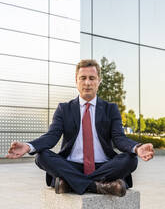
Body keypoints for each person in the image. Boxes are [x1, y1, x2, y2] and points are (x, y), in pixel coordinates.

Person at [7, 59, 154, 197]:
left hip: (104, 167)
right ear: (76, 81)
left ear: (99, 81)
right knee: (42, 156)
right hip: (71, 165)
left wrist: (137, 148)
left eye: (92, 78)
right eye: (83, 78)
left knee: (130, 159)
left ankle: (71, 183)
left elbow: (119, 138)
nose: (87, 83)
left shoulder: (111, 109)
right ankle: (98, 186)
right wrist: (28, 146)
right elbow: (51, 137)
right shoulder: (64, 109)